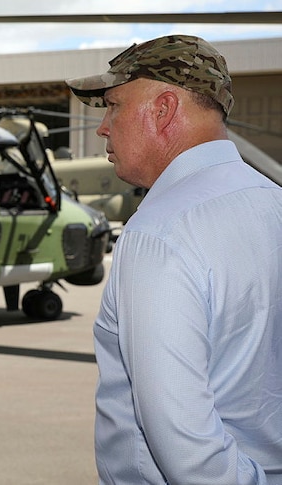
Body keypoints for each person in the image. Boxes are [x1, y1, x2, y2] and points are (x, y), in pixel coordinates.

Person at [67, 34, 282, 483]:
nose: (103, 127)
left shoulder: (159, 234)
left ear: (163, 109)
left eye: (114, 105)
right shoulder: (273, 203)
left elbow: (187, 452)